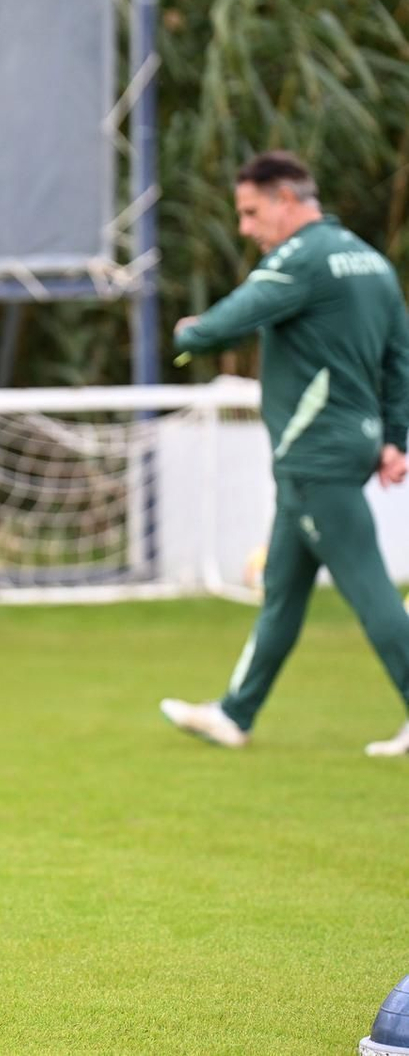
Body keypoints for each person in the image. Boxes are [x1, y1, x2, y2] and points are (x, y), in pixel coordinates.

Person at [160, 150, 409, 756]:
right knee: (283, 589)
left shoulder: (303, 257)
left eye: (250, 213)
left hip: (314, 454)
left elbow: (229, 320)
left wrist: (188, 336)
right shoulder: (370, 261)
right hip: (348, 441)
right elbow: (398, 358)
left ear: (287, 201)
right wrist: (396, 437)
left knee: (369, 587)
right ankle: (236, 713)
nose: (246, 229)